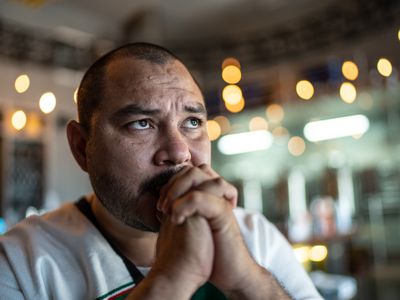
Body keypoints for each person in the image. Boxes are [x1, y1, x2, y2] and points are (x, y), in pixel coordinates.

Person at [0, 43, 321, 299]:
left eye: (192, 123)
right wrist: (171, 279)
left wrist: (247, 280)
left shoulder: (255, 236)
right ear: (83, 147)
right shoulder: (20, 263)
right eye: (142, 124)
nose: (179, 152)